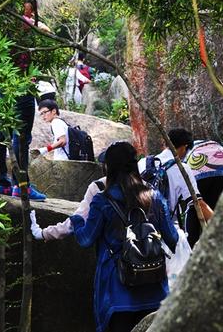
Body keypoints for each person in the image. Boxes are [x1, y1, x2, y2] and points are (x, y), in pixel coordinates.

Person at [70, 142, 178, 332]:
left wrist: (77, 221)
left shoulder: (102, 201)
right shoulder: (154, 196)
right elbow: (173, 238)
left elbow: (86, 239)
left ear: (108, 168)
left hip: (117, 292)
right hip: (154, 289)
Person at [0, 0, 47, 200]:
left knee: (3, 135)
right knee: (19, 138)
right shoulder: (20, 25)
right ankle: (20, 185)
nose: (32, 11)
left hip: (2, 85)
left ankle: (3, 183)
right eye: (30, 7)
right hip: (20, 87)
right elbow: (42, 29)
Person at [138, 128, 214, 229]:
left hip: (141, 228)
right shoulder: (182, 168)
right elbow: (198, 203)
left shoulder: (143, 163)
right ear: (184, 146)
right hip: (167, 230)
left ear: (165, 142)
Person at [29, 149, 110, 241]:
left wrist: (43, 234)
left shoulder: (99, 187)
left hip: (110, 251)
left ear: (106, 166)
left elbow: (83, 232)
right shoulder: (129, 187)